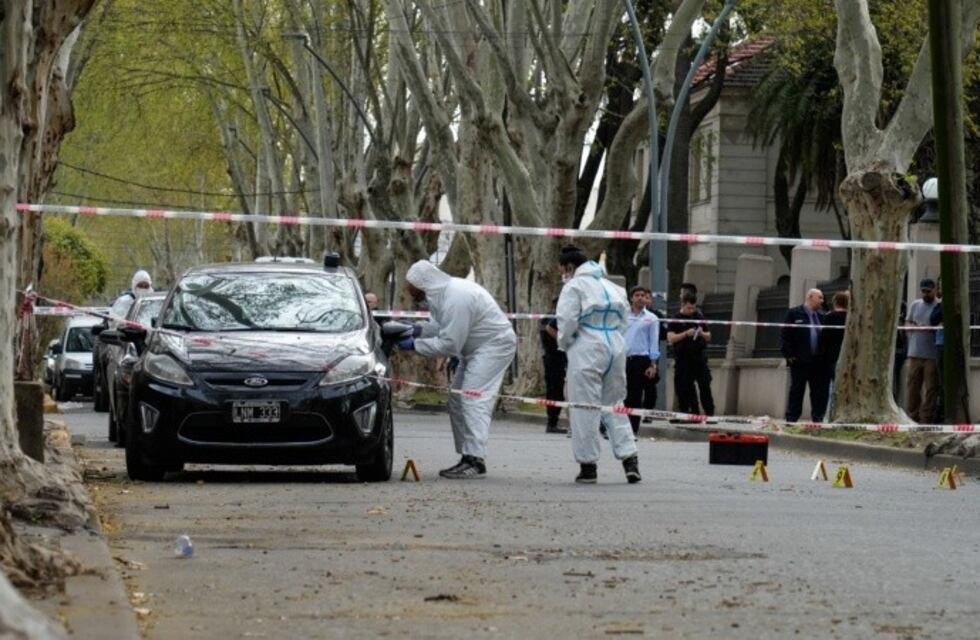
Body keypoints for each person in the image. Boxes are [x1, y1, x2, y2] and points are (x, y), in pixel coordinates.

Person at [399, 260, 517, 479]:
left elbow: (449, 344)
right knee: (456, 399)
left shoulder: (456, 297)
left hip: (493, 346)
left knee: (473, 398)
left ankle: (475, 460)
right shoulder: (440, 295)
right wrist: (416, 329)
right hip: (474, 349)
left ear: (423, 284)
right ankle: (467, 456)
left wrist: (415, 345)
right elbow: (438, 327)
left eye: (412, 289)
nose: (410, 293)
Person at [555, 246, 640, 484]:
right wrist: (615, 339)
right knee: (614, 404)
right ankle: (630, 459)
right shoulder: (614, 287)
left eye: (562, 269)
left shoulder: (573, 287)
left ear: (569, 267)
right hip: (615, 344)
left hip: (587, 345)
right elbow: (625, 321)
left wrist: (565, 343)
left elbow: (567, 321)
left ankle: (588, 465)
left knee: (584, 406)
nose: (562, 274)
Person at [780, 288, 827, 423]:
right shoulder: (794, 313)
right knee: (797, 390)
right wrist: (789, 356)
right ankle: (791, 419)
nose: (822, 301)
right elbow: (785, 335)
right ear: (810, 297)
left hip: (818, 362)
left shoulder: (822, 316)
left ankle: (818, 419)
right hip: (800, 361)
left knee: (818, 392)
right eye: (820, 298)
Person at [667, 292, 715, 417]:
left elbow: (709, 336)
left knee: (704, 384)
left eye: (693, 307)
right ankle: (691, 412)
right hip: (683, 357)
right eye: (689, 307)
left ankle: (709, 413)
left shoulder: (698, 316)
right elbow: (671, 338)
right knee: (685, 386)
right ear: (683, 304)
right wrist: (685, 334)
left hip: (698, 356)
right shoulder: (676, 319)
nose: (691, 310)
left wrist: (701, 334)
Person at [623, 286, 660, 434]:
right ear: (631, 298)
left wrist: (653, 364)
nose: (640, 298)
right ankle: (618, 428)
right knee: (619, 395)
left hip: (640, 361)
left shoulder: (651, 318)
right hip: (623, 359)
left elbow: (654, 343)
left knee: (635, 396)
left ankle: (633, 430)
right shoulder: (623, 316)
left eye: (643, 295)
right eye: (637, 295)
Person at [905, 278, 940, 423]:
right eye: (923, 291)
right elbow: (908, 321)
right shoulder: (915, 305)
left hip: (931, 353)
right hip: (915, 352)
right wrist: (913, 328)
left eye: (928, 291)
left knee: (931, 387)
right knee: (913, 386)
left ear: (935, 290)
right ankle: (913, 415)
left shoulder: (939, 306)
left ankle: (926, 417)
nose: (925, 294)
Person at [540, 298, 568, 434]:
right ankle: (552, 422)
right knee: (555, 391)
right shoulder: (550, 318)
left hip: (562, 358)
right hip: (554, 358)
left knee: (560, 392)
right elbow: (548, 333)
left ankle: (553, 422)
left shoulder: (563, 318)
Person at [818, 290, 849, 416]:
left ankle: (831, 414)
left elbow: (824, 338)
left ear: (835, 302)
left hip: (831, 357)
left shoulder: (829, 317)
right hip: (847, 356)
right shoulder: (850, 317)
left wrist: (821, 355)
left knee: (832, 388)